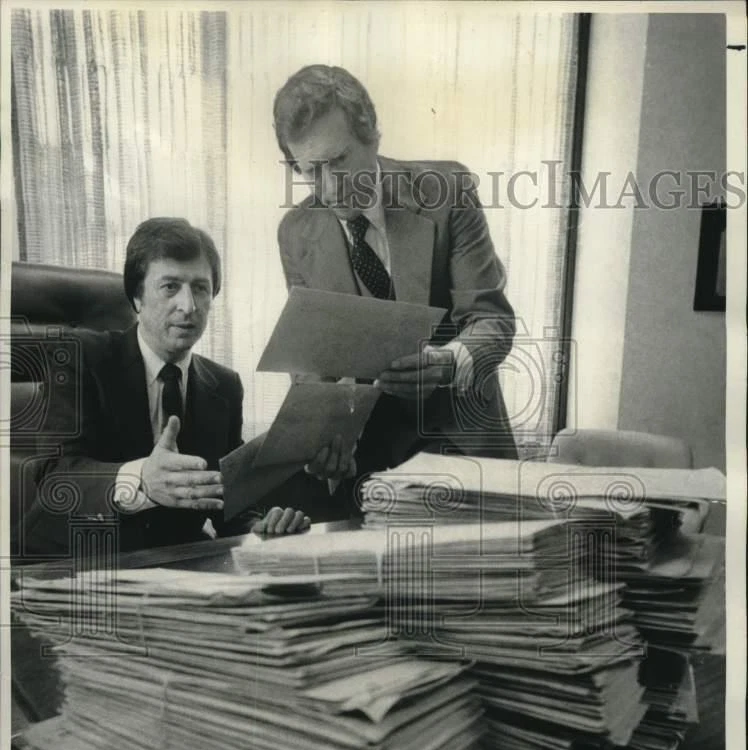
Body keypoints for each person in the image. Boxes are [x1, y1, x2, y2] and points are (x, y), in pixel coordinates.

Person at [273, 64, 518, 503]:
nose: (330, 188)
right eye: (311, 171)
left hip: (464, 451)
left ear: (373, 137)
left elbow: (492, 322)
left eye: (339, 161)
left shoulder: (447, 191)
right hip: (365, 468)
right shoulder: (295, 233)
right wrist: (323, 436)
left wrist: (447, 363)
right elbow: (313, 366)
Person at [26, 217, 310, 556]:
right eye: (170, 287)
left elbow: (224, 504)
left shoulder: (224, 385)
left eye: (200, 288)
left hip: (170, 563)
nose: (188, 306)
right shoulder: (80, 357)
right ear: (137, 298)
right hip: (66, 560)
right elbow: (54, 475)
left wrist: (261, 527)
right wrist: (141, 479)